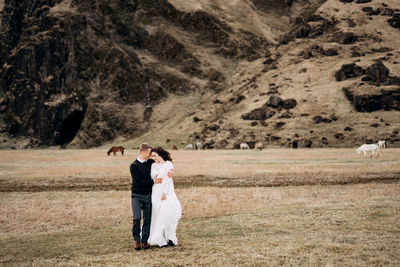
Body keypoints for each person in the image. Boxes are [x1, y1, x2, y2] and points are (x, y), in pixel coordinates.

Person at [130, 143, 162, 250]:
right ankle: (136, 240)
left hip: (149, 195)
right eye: (149, 153)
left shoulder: (151, 163)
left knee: (147, 219)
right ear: (142, 152)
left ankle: (144, 241)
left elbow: (161, 163)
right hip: (136, 195)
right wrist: (153, 181)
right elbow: (138, 182)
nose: (150, 155)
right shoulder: (133, 165)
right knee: (137, 218)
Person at [148, 147, 182, 247]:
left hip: (167, 191)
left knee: (170, 214)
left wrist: (164, 193)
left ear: (161, 155)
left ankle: (171, 237)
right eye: (152, 156)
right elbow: (153, 177)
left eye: (155, 156)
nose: (153, 158)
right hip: (156, 191)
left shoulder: (168, 164)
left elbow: (168, 180)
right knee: (158, 214)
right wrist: (158, 178)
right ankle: (160, 239)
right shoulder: (153, 165)